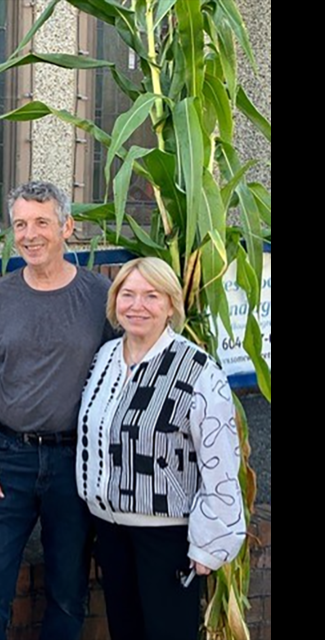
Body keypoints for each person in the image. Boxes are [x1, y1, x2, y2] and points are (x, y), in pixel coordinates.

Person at [0, 181, 114, 639]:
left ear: (67, 227)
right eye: (21, 224)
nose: (29, 235)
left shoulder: (100, 297)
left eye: (41, 223)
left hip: (76, 462)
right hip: (11, 457)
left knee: (68, 589)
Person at [78, 257, 245, 640]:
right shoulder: (105, 359)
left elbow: (220, 462)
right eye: (128, 294)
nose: (137, 305)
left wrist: (210, 544)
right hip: (111, 530)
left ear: (171, 305)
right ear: (114, 301)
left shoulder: (197, 370)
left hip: (168, 538)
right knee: (126, 632)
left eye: (151, 296)